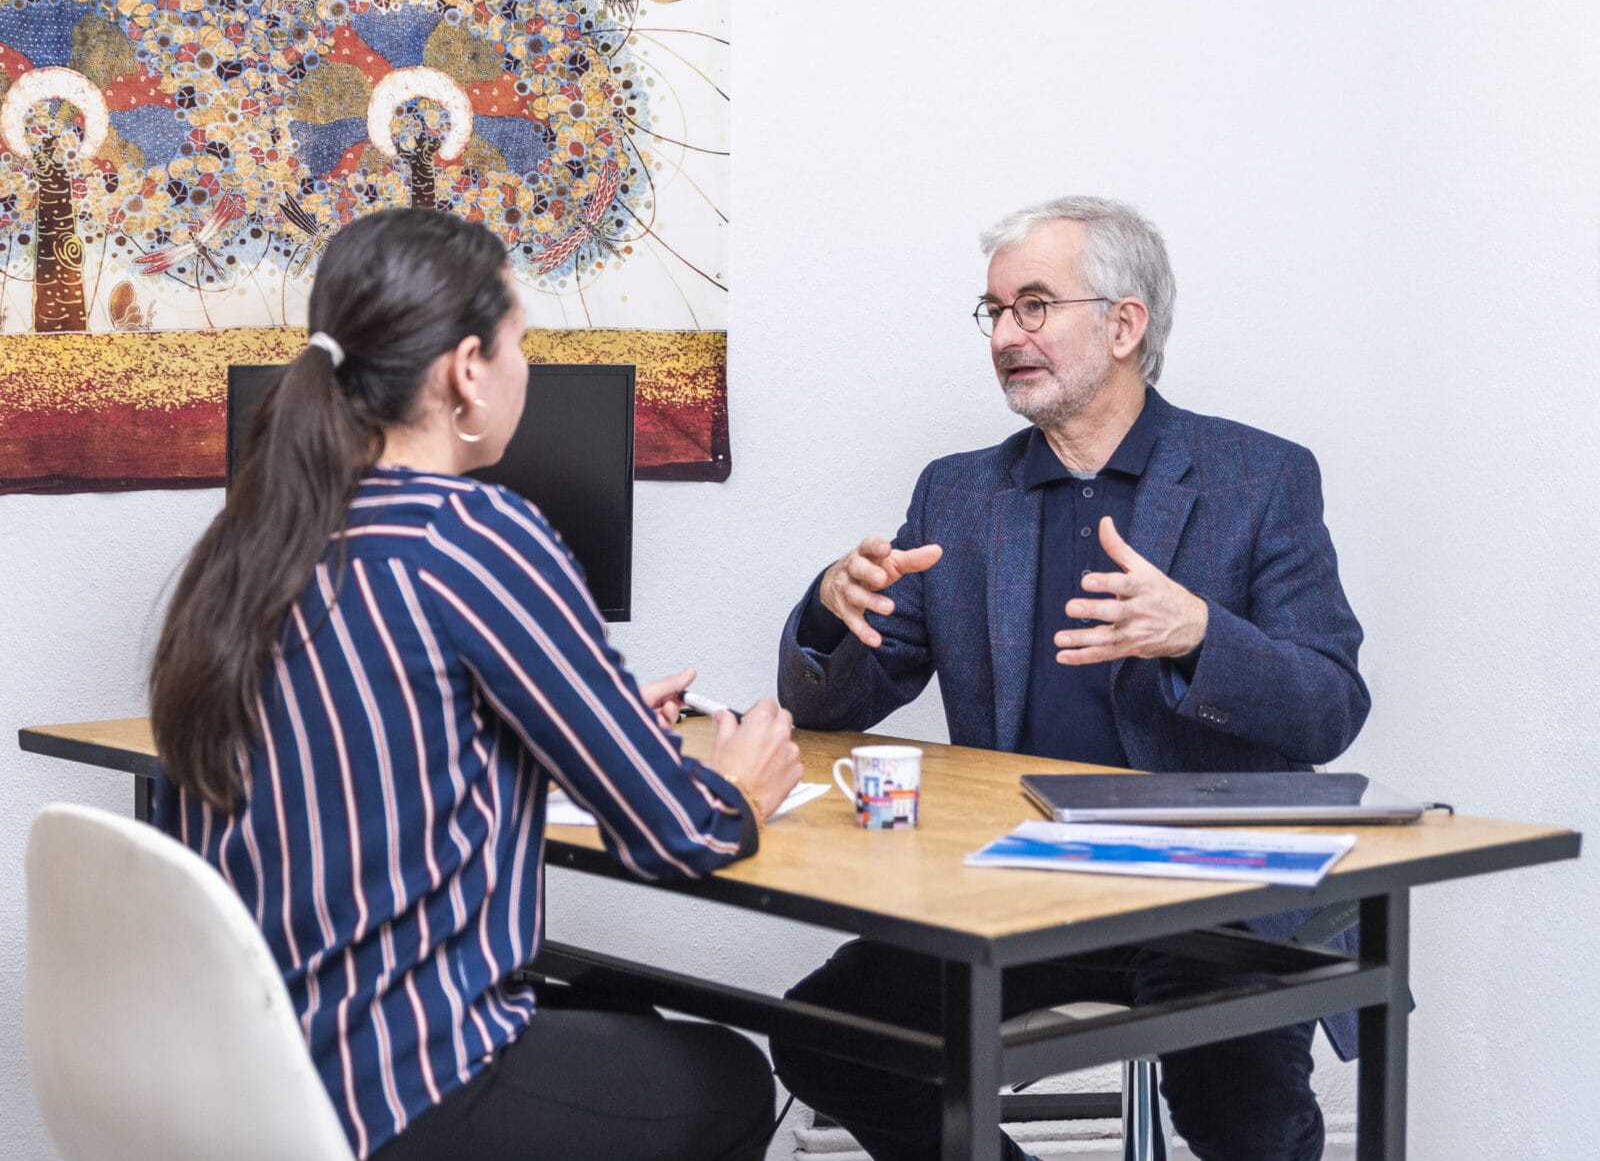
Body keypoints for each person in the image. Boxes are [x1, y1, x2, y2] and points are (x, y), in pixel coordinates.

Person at [149, 207, 802, 1161]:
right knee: (730, 1076)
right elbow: (674, 833)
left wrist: (598, 721)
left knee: (618, 1008)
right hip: (392, 1087)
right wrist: (738, 785)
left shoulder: (251, 545)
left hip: (247, 1077)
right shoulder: (471, 534)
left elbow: (386, 723)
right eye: (521, 343)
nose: (525, 369)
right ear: (465, 370)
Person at [770, 197, 1370, 1161]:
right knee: (827, 1038)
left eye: (1035, 305)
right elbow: (833, 709)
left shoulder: (1259, 478)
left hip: (1209, 891)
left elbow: (1330, 708)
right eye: (995, 310)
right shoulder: (959, 493)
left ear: (1124, 324)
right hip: (1020, 886)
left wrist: (1197, 634)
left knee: (1239, 1112)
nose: (1006, 335)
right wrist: (826, 608)